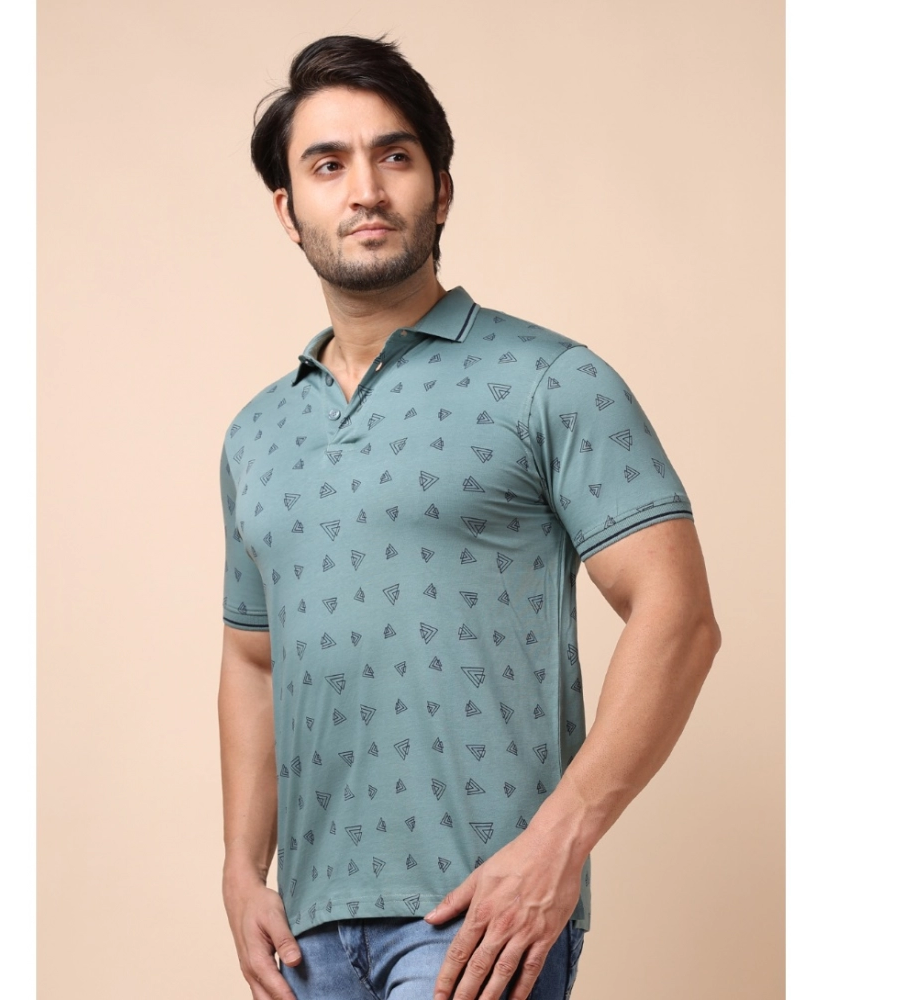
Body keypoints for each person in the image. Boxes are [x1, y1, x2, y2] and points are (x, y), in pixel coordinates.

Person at [218, 34, 721, 1000]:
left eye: (394, 156)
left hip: (480, 918)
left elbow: (680, 615)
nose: (366, 190)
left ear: (441, 189)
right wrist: (243, 872)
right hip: (308, 937)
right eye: (329, 165)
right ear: (287, 209)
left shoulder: (550, 379)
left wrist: (558, 844)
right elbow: (252, 658)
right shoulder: (256, 433)